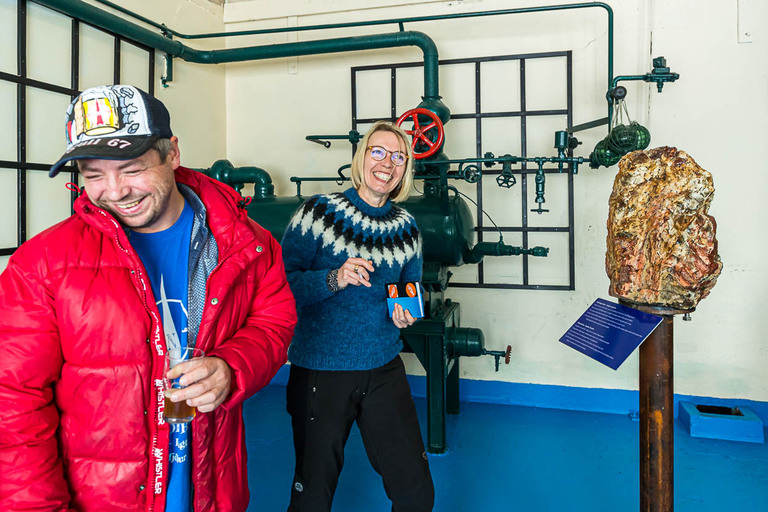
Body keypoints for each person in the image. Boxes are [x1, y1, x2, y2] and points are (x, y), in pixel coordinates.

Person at [0, 84, 297, 511]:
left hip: (211, 483)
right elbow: (13, 402)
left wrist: (233, 367)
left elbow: (273, 322)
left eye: (132, 168)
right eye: (93, 174)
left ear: (172, 153)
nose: (115, 191)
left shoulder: (245, 243)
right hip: (102, 498)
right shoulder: (42, 264)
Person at [280, 120, 435, 512]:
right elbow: (281, 286)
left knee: (417, 494)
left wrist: (405, 313)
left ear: (405, 169)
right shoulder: (318, 212)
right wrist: (334, 278)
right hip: (321, 370)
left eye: (398, 156)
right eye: (378, 151)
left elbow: (409, 287)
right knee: (313, 496)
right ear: (362, 157)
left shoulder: (407, 227)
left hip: (383, 367)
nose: (387, 163)